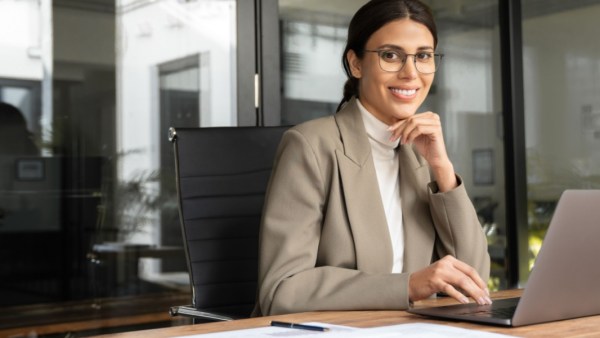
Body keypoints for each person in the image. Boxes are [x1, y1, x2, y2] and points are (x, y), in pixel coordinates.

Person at [254, 0, 491, 316]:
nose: (410, 73)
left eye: (423, 56)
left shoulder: (421, 155)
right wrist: (407, 286)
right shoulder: (310, 146)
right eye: (391, 56)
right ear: (356, 64)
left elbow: (473, 284)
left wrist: (442, 169)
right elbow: (281, 290)